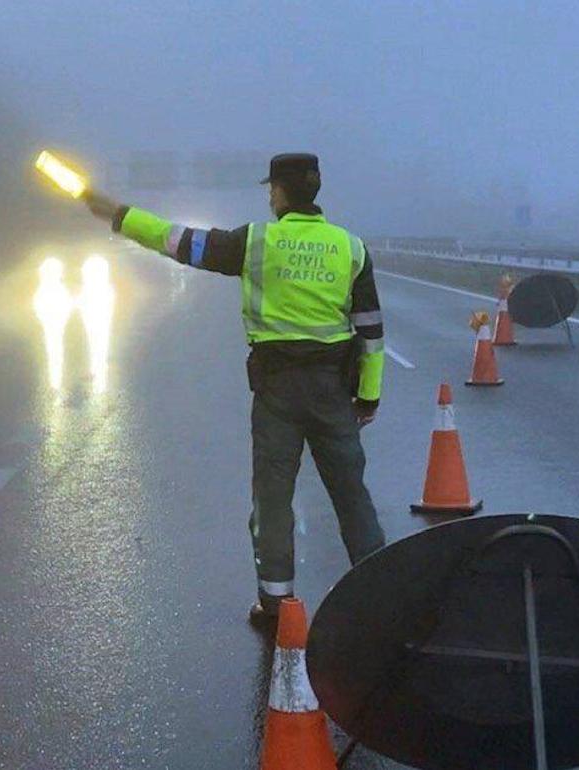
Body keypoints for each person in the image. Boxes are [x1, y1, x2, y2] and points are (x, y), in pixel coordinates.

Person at [82, 153, 386, 625]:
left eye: (271, 188)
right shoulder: (351, 247)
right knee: (351, 494)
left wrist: (120, 216)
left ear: (282, 192)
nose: (268, 195)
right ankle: (380, 593)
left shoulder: (256, 242)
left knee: (272, 499)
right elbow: (370, 330)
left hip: (278, 392)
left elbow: (180, 242)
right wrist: (368, 395)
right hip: (333, 390)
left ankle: (277, 606)